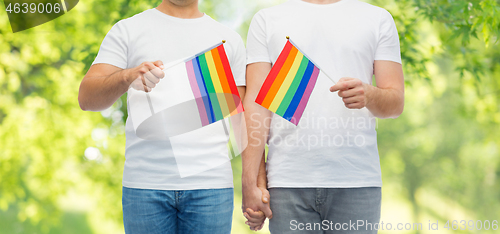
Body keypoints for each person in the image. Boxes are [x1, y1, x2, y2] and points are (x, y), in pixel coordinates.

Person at [78, 0, 247, 233]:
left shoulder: (229, 40)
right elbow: (87, 98)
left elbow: (244, 122)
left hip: (211, 187)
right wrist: (128, 76)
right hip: (145, 186)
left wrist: (253, 185)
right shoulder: (128, 30)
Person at [242, 0, 404, 233]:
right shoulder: (267, 20)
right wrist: (251, 182)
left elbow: (395, 103)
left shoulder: (378, 18)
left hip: (356, 182)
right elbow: (256, 105)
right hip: (287, 183)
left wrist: (369, 95)